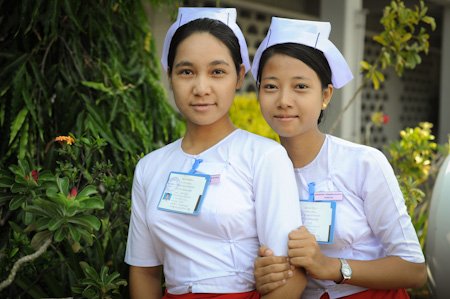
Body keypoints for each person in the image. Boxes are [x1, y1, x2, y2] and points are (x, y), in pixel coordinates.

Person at [124, 8, 306, 299]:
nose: (201, 88)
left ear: (239, 77)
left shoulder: (264, 157)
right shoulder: (150, 167)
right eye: (186, 72)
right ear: (169, 76)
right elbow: (145, 270)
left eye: (217, 72)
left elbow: (287, 274)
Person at [251, 17, 427, 299]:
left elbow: (414, 270)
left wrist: (331, 267)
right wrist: (263, 273)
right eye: (271, 86)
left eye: (300, 87)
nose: (283, 100)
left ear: (325, 95)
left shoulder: (363, 164)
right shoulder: (254, 169)